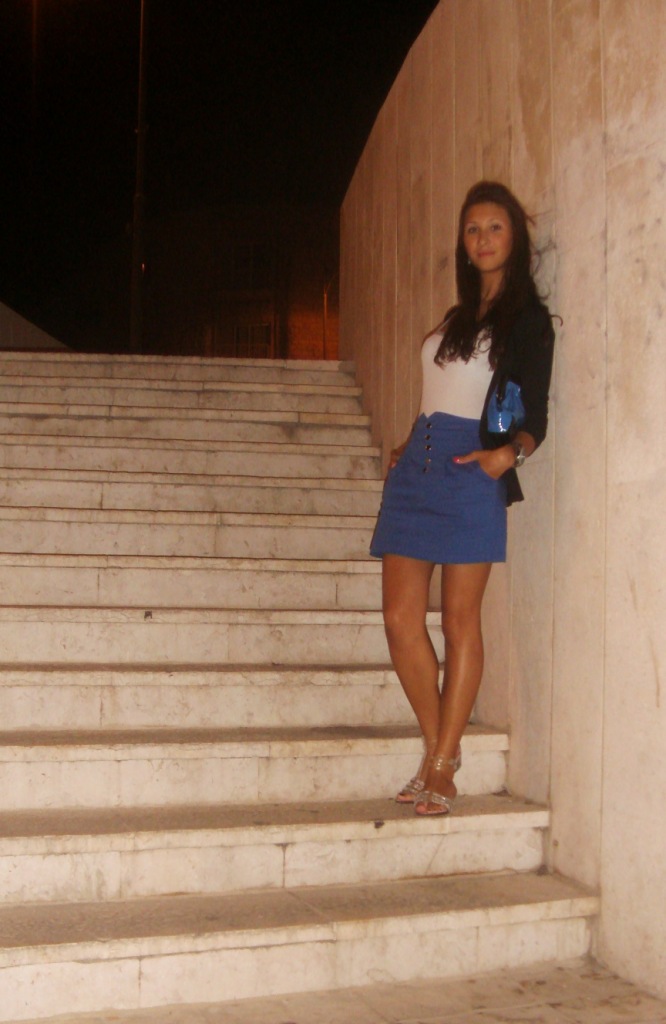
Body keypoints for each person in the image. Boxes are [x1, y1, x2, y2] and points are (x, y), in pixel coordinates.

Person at [370, 180, 555, 816]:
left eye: (494, 227)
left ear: (515, 237)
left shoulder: (528, 320)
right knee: (399, 619)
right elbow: (440, 392)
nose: (482, 238)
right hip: (418, 469)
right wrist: (408, 441)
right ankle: (437, 749)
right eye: (473, 229)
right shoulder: (457, 318)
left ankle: (444, 765)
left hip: (471, 472)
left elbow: (536, 413)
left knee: (458, 622)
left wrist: (508, 454)